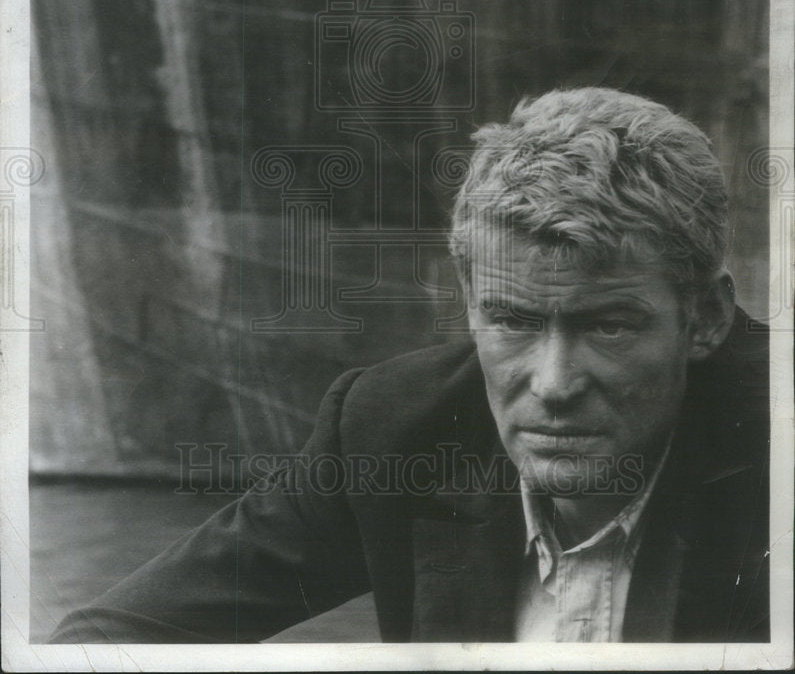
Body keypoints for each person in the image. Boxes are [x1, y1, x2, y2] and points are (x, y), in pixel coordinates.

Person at [50, 87, 769, 643]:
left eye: (608, 326)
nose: (551, 385)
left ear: (704, 319)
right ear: (467, 300)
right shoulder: (394, 429)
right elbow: (105, 639)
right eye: (511, 320)